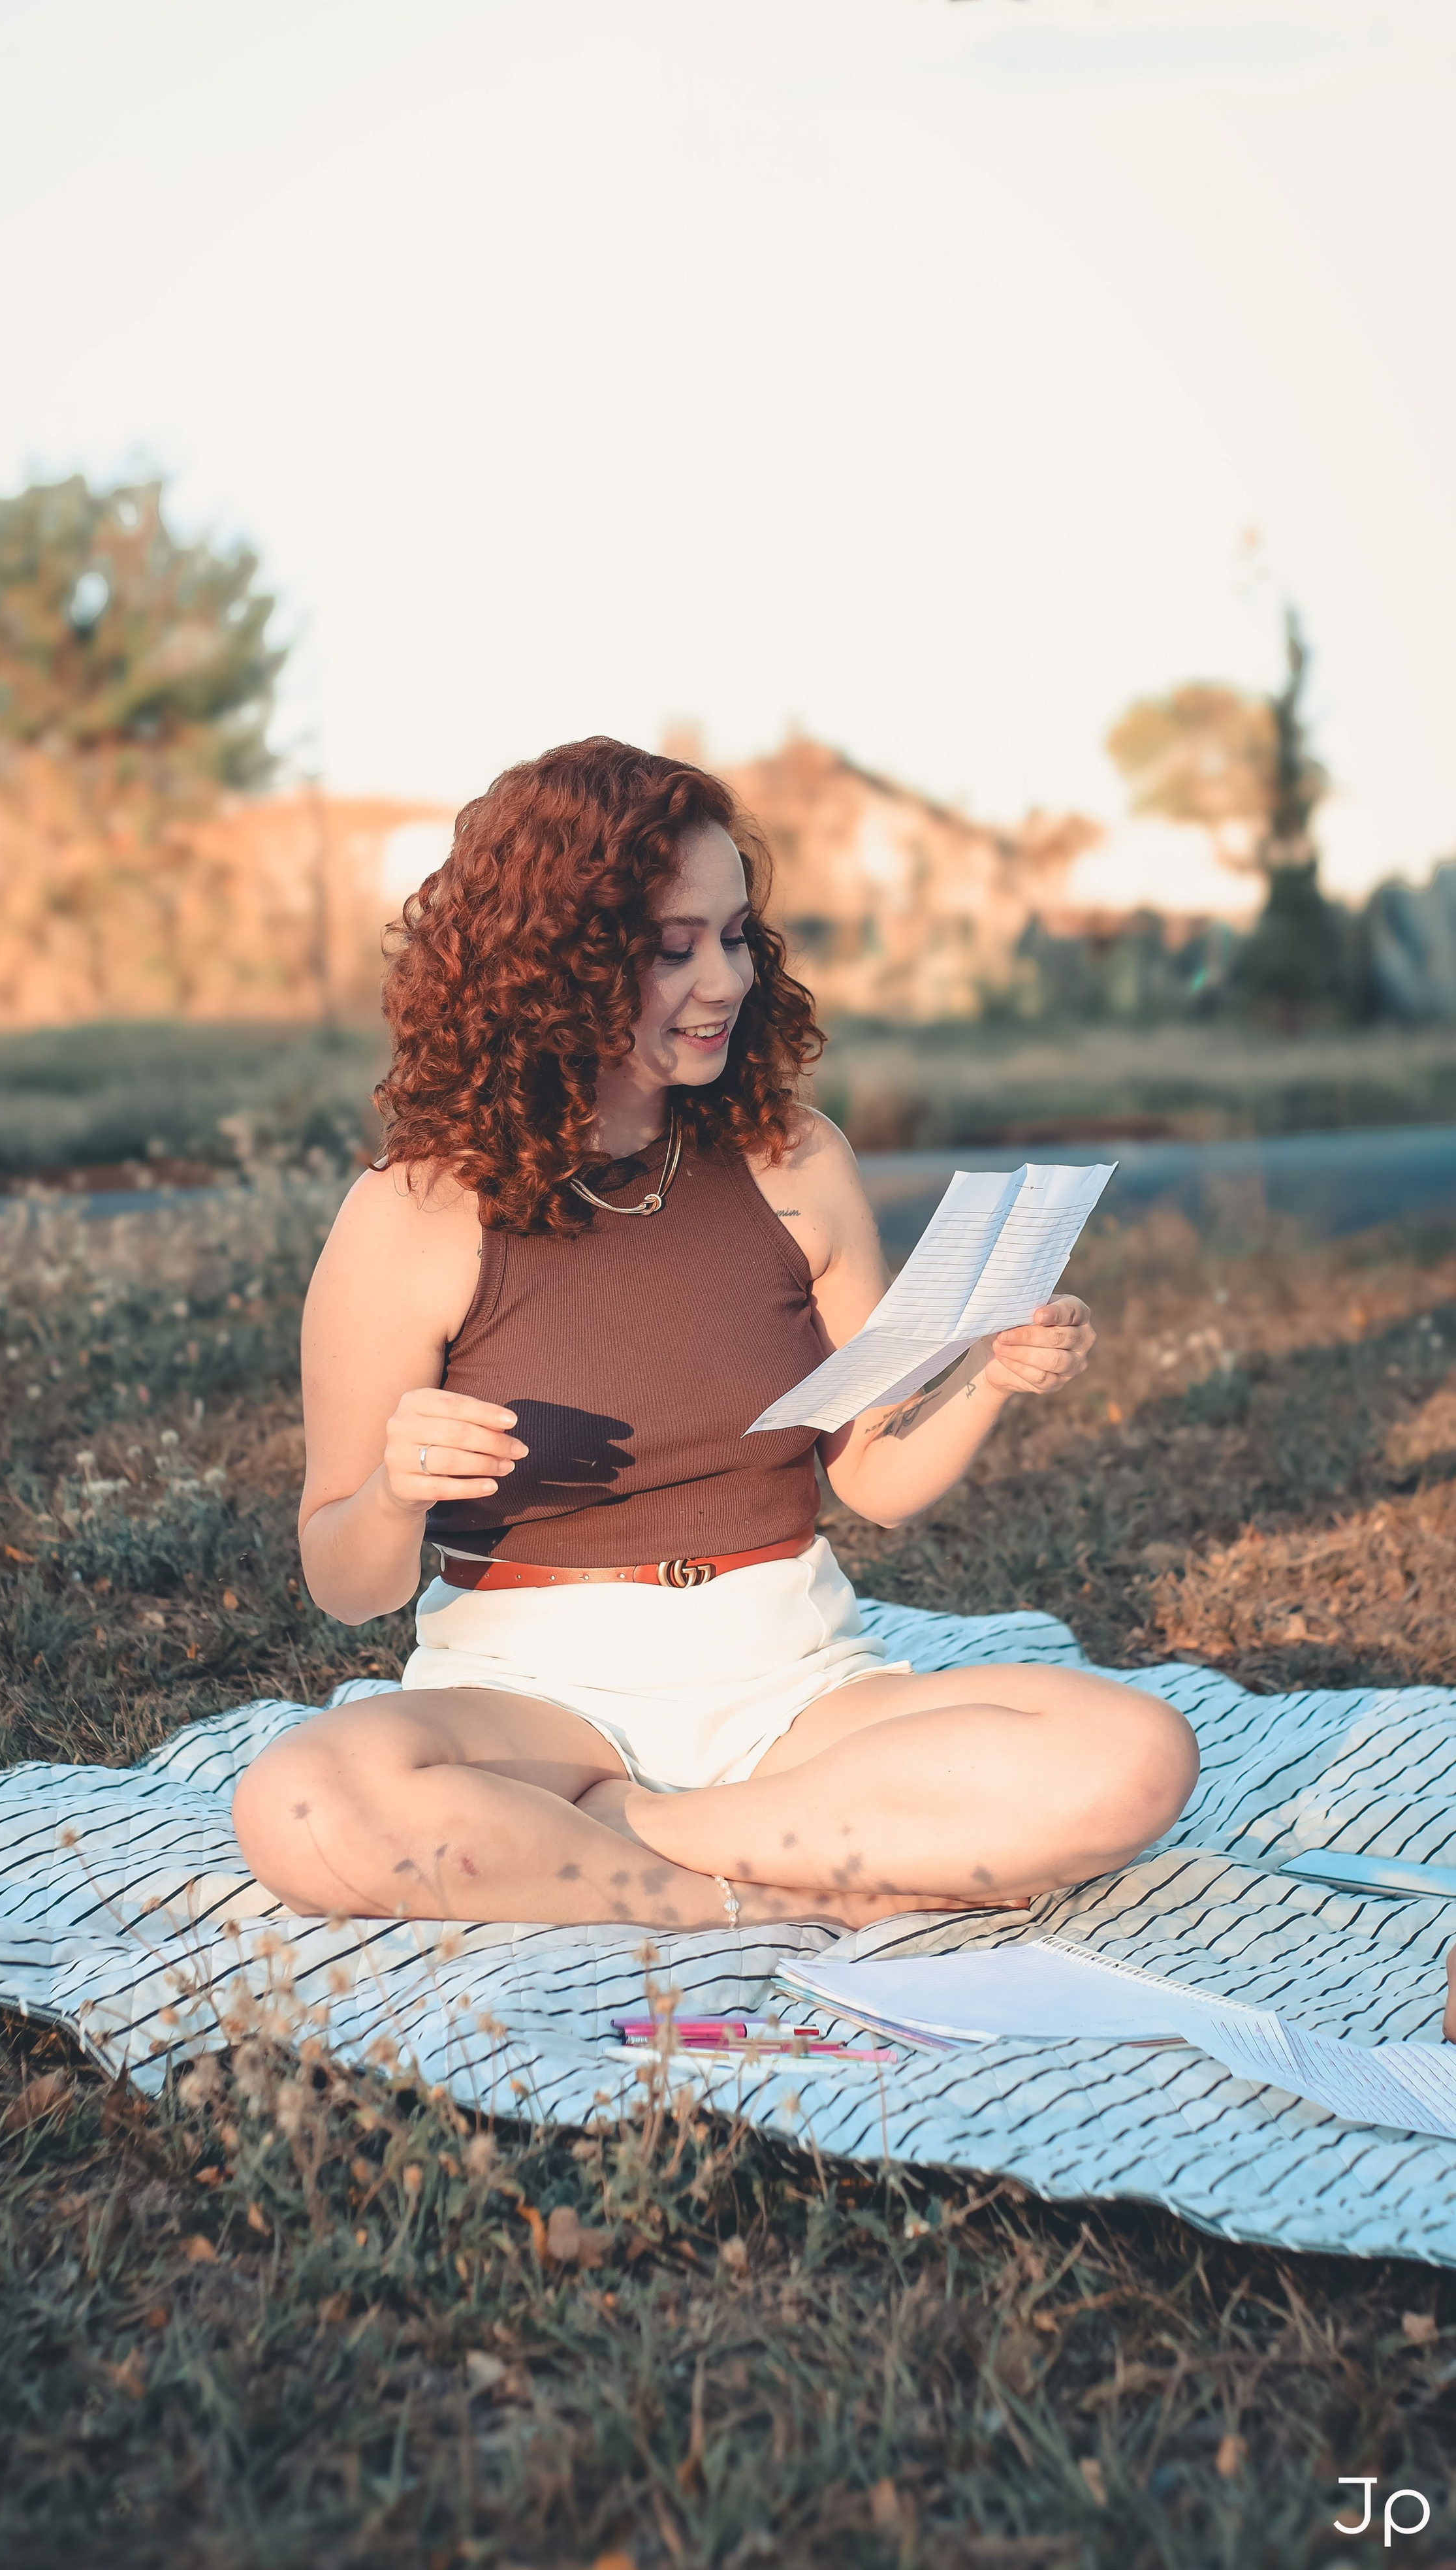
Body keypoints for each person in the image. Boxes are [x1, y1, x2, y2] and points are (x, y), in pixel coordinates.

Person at [233, 740, 1197, 1931]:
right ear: (556, 964)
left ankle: (616, 1843)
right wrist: (391, 1492)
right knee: (306, 1797)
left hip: (791, 1684)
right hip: (530, 1699)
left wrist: (991, 1375)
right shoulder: (413, 1213)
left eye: (735, 936)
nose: (726, 981)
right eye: (673, 948)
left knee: (1136, 1752)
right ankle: (748, 1890)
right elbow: (343, 1580)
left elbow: (877, 1478)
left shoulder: (798, 1162)